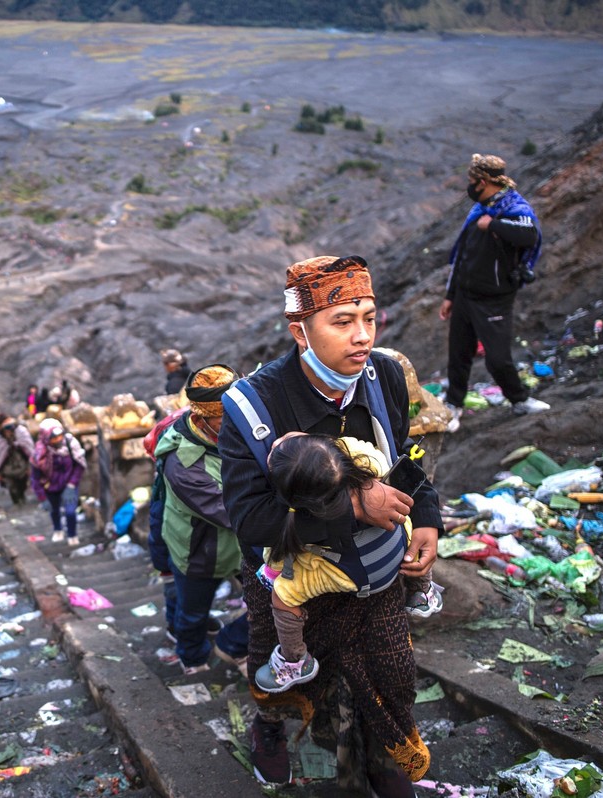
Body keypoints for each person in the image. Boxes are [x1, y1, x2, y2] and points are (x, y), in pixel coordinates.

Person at [218, 255, 441, 792]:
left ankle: (388, 757)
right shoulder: (253, 407)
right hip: (291, 580)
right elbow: (252, 520)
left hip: (374, 568)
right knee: (284, 674)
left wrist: (428, 514)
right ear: (300, 331)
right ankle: (270, 728)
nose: (362, 336)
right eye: (342, 321)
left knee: (391, 671)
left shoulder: (383, 375)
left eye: (369, 316)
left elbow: (402, 459)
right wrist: (355, 509)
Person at [254, 433, 443, 694]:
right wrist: (320, 443)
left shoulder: (302, 518)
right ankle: (423, 591)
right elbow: (360, 446)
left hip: (356, 574)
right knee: (406, 522)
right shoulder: (370, 461)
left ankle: (294, 660)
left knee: (283, 593)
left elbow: (281, 552)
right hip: (395, 551)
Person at [440, 153, 549, 431]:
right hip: (465, 293)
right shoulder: (479, 209)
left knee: (498, 357)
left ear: (484, 181)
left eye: (472, 181)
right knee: (458, 354)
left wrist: (494, 225)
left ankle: (519, 400)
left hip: (494, 298)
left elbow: (529, 235)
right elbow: (462, 256)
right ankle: (453, 404)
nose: (470, 186)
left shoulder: (513, 207)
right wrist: (450, 296)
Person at [153, 364, 250, 676]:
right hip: (199, 550)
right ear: (203, 418)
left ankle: (220, 638)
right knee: (192, 610)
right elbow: (229, 511)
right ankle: (192, 656)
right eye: (226, 418)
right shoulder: (183, 463)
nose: (237, 424)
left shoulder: (230, 436)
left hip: (235, 546)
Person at [31, 418, 86, 544]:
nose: (58, 440)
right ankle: (58, 529)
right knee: (54, 510)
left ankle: (72, 535)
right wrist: (42, 497)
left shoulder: (70, 443)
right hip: (51, 486)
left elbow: (79, 465)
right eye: (53, 438)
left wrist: (72, 485)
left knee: (70, 512)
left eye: (59, 436)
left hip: (69, 483)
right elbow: (35, 477)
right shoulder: (40, 453)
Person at [0, 418, 34, 506]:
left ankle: (22, 497)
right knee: (12, 487)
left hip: (21, 466)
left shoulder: (21, 434)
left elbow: (28, 449)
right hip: (8, 470)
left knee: (22, 485)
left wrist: (30, 466)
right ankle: (16, 501)